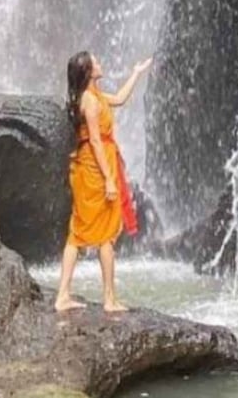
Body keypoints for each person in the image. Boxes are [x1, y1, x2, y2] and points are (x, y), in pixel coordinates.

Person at [54, 50, 152, 313]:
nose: (100, 62)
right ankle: (109, 299)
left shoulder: (94, 95)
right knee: (105, 233)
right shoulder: (88, 100)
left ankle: (65, 294)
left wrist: (136, 73)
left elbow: (119, 99)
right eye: (95, 61)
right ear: (88, 71)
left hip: (96, 164)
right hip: (95, 169)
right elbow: (95, 140)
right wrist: (109, 179)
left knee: (81, 231)